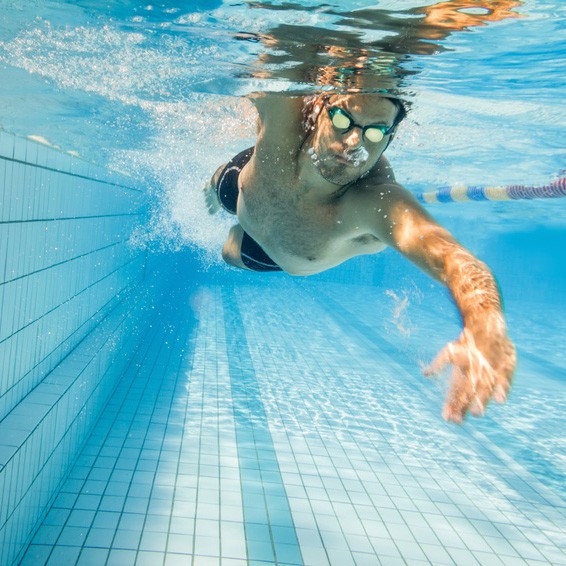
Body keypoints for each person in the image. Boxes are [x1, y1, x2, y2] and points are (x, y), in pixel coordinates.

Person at [203, 92, 516, 423]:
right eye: (342, 121)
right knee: (218, 185)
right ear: (318, 111)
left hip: (273, 250)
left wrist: (485, 323)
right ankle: (215, 195)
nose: (353, 141)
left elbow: (455, 261)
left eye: (375, 132)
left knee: (229, 252)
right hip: (248, 187)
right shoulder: (287, 114)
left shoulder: (375, 202)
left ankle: (234, 228)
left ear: (390, 139)